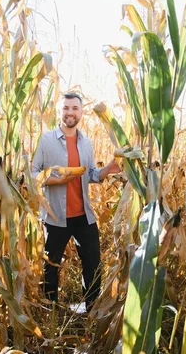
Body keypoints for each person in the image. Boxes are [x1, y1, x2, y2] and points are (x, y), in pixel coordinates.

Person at [31, 92, 120, 311]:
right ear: (60, 111)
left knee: (93, 264)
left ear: (81, 112)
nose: (70, 112)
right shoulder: (46, 140)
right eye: (66, 108)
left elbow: (90, 174)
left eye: (74, 108)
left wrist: (108, 169)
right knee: (50, 267)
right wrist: (52, 180)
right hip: (55, 217)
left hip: (83, 216)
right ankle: (50, 311)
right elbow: (32, 173)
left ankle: (91, 309)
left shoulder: (86, 143)